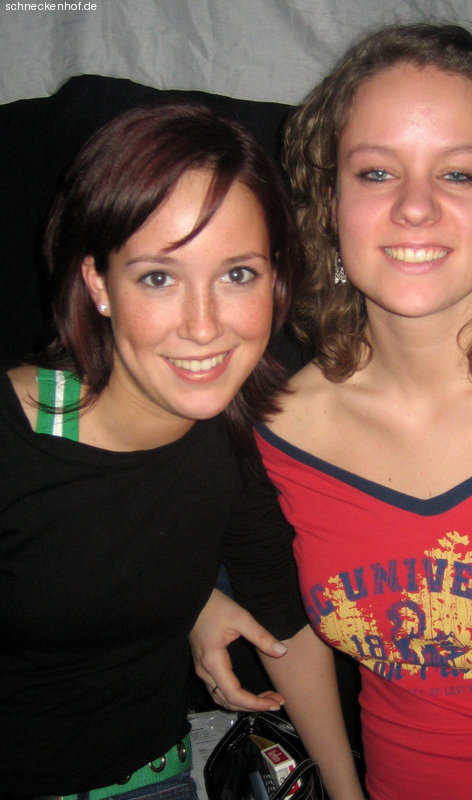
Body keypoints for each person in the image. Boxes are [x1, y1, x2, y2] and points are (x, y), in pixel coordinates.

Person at [250, 22, 472, 799]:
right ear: (331, 202)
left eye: (459, 174)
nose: (414, 207)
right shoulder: (279, 431)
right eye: (376, 172)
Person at [0, 100, 364, 800]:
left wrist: (347, 793)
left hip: (157, 778)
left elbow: (281, 619)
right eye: (159, 277)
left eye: (237, 274)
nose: (203, 326)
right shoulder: (15, 440)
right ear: (98, 284)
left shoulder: (238, 439)